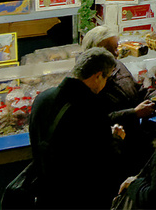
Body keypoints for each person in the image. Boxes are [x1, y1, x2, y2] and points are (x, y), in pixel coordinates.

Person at [23, 47, 124, 209]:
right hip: (79, 198)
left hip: (46, 195)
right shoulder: (92, 109)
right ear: (98, 76)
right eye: (107, 78)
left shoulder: (42, 99)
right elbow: (104, 162)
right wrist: (116, 139)